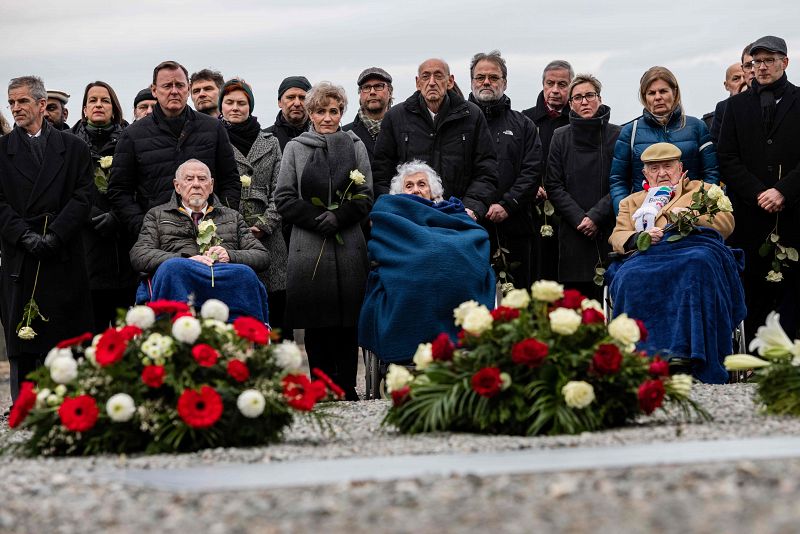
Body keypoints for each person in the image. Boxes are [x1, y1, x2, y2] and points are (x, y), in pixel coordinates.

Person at [607, 143, 742, 384]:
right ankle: (641, 359)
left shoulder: (703, 190)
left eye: (668, 166)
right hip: (647, 255)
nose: (662, 173)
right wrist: (638, 237)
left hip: (693, 250)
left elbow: (726, 225)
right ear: (645, 173)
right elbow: (617, 236)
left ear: (680, 168)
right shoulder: (631, 202)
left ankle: (689, 354)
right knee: (628, 276)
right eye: (654, 168)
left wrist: (690, 217)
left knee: (697, 264)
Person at [274, 81, 372, 401]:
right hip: (308, 242)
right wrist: (318, 218)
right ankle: (321, 386)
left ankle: (347, 386)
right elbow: (284, 197)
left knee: (347, 319)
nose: (327, 118)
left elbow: (366, 194)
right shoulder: (295, 148)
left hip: (348, 243)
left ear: (342, 112)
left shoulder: (355, 144)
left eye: (333, 111)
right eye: (320, 111)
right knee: (315, 318)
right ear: (310, 114)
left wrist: (340, 217)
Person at [0, 76, 94, 401]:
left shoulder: (74, 148)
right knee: (23, 335)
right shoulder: (2, 151)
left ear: (42, 105)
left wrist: (55, 235)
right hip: (21, 253)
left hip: (62, 251)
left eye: (22, 101)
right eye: (11, 102)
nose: (15, 108)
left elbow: (84, 195)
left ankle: (70, 403)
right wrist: (24, 235)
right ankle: (24, 405)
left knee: (65, 334)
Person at [359, 160, 495, 364]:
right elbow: (382, 244)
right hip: (406, 273)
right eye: (409, 185)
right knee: (408, 284)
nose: (416, 190)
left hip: (456, 276)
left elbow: (476, 235)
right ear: (400, 192)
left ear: (432, 191)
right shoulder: (389, 212)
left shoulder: (451, 211)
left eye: (422, 184)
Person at [718, 35, 800, 340]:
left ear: (784, 62)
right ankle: (754, 355)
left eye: (768, 60)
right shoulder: (735, 106)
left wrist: (784, 191)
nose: (761, 67)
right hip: (751, 215)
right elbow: (727, 157)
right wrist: (758, 193)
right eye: (756, 62)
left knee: (793, 290)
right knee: (753, 291)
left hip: (794, 213)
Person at [109, 60, 241, 239]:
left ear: (188, 88)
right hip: (156, 238)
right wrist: (144, 228)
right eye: (167, 86)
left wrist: (221, 223)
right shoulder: (132, 135)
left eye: (179, 85)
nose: (174, 91)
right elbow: (119, 190)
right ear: (154, 90)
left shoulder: (213, 129)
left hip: (210, 234)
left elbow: (230, 181)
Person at [130, 159, 270, 322]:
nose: (196, 184)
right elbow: (139, 255)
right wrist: (186, 259)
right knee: (172, 267)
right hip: (181, 282)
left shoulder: (232, 216)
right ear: (177, 186)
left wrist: (230, 255)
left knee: (245, 273)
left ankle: (246, 331)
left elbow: (262, 256)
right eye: (189, 179)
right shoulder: (157, 215)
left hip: (222, 283)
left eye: (202, 179)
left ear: (211, 186)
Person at [372, 58, 498, 221]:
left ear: (450, 81)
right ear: (418, 83)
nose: (432, 82)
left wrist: (471, 208)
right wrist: (393, 210)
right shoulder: (395, 117)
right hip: (409, 217)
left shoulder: (472, 116)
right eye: (425, 77)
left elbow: (486, 169)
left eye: (438, 76)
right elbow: (381, 172)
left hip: (459, 216)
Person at [219, 78, 289, 336]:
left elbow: (281, 189)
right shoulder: (214, 139)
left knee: (274, 314)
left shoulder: (270, 142)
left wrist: (264, 224)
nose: (235, 108)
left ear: (250, 106)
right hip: (229, 238)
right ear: (221, 106)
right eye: (229, 102)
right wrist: (232, 227)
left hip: (269, 238)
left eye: (241, 102)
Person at [468, 50, 542, 289]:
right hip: (468, 227)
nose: (486, 82)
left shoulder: (523, 125)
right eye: (480, 77)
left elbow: (532, 171)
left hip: (515, 226)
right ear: (471, 81)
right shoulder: (458, 124)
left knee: (517, 301)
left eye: (493, 77)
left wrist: (507, 205)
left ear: (505, 82)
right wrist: (472, 207)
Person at [545, 74, 620, 300]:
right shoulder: (560, 137)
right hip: (573, 231)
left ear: (599, 98)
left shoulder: (617, 135)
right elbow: (553, 184)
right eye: (577, 97)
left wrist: (596, 216)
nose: (584, 102)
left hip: (608, 228)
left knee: (610, 300)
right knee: (576, 306)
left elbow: (620, 181)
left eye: (589, 95)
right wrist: (581, 219)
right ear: (570, 104)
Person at [70, 81, 137, 332]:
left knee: (126, 335)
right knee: (90, 335)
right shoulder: (69, 144)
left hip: (124, 246)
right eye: (93, 100)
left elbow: (141, 184)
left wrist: (118, 215)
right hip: (86, 247)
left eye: (105, 100)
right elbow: (65, 189)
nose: (99, 105)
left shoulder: (131, 140)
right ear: (84, 109)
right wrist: (91, 214)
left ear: (114, 108)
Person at [609, 66, 720, 215]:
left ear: (674, 92)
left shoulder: (697, 127)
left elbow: (711, 173)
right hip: (644, 216)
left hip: (690, 213)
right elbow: (618, 180)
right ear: (644, 97)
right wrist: (626, 215)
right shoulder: (630, 131)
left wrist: (698, 210)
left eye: (663, 91)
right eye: (651, 93)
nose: (657, 97)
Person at [522, 60, 574, 285]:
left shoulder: (578, 120)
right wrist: (531, 187)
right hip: (534, 211)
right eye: (549, 83)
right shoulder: (526, 119)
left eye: (562, 84)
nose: (555, 90)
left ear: (571, 86)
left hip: (569, 211)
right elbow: (518, 162)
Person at [343, 67, 393, 163]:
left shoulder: (403, 130)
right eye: (366, 87)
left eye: (379, 86)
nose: (372, 92)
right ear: (360, 94)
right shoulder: (345, 135)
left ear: (390, 92)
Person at [708, 44, 755, 142]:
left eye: (744, 77)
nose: (742, 81)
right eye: (736, 78)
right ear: (726, 85)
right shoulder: (715, 117)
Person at [266, 76, 312, 151]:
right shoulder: (264, 139)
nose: (297, 103)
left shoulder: (322, 139)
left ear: (311, 103)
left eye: (302, 98)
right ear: (279, 102)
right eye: (291, 97)